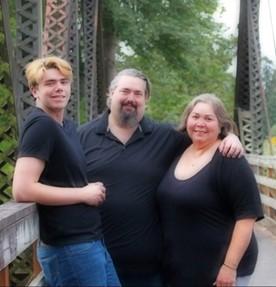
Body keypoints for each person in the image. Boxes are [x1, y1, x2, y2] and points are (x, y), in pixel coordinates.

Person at [78, 69, 244, 287]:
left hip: (150, 269)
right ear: (111, 94)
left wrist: (230, 137)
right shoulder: (82, 136)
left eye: (138, 93)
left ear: (146, 99)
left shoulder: (165, 137)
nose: (131, 98)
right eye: (125, 91)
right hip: (96, 263)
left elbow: (203, 137)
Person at [12, 56, 121, 287]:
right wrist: (83, 194)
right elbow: (22, 189)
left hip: (89, 240)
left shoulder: (66, 126)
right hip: (68, 246)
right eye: (49, 83)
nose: (59, 88)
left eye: (64, 81)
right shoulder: (40, 125)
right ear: (34, 90)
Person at [157, 93, 264, 287]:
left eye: (208, 118)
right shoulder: (180, 149)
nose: (200, 123)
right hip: (184, 269)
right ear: (187, 119)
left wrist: (230, 267)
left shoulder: (229, 158)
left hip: (222, 272)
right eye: (195, 116)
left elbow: (246, 217)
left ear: (221, 125)